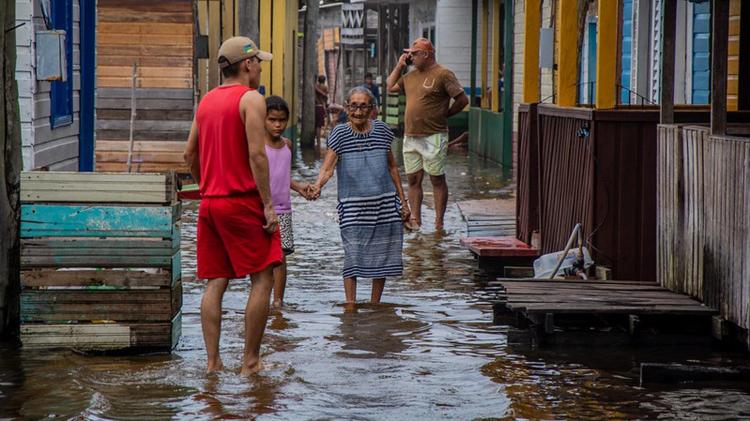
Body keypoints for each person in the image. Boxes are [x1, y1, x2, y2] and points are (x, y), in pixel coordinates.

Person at [183, 36, 279, 376]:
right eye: (259, 63)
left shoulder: (206, 101)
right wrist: (268, 205)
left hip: (210, 204)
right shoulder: (251, 99)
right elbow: (257, 154)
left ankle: (213, 364)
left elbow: (188, 155)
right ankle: (250, 362)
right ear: (247, 64)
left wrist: (207, 183)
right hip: (241, 202)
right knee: (264, 276)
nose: (260, 68)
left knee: (215, 282)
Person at [310, 87, 410, 306]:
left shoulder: (383, 131)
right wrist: (317, 186)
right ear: (347, 107)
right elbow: (328, 168)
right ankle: (351, 306)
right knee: (352, 255)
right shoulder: (339, 133)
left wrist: (403, 202)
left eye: (363, 106)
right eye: (353, 106)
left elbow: (393, 168)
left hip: (384, 204)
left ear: (372, 109)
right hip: (352, 207)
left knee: (383, 256)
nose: (358, 111)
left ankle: (375, 305)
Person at [386, 38, 469, 232]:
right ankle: (416, 219)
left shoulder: (443, 74)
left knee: (436, 178)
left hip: (434, 134)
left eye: (414, 54)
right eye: (410, 54)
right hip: (411, 135)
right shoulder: (410, 76)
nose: (410, 57)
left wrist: (446, 114)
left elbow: (462, 99)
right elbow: (390, 86)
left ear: (426, 54)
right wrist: (400, 65)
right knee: (413, 179)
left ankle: (439, 223)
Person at [264, 95, 313, 308]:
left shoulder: (288, 145)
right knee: (260, 260)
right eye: (272, 119)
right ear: (262, 120)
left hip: (283, 210)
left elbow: (282, 175)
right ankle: (261, 299)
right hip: (260, 209)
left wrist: (299, 187)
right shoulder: (256, 147)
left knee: (281, 257)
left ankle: (278, 301)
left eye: (282, 120)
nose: (277, 125)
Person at [315, 75, 329, 145]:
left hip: (315, 107)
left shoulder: (316, 86)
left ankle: (317, 141)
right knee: (318, 126)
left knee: (316, 125)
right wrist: (326, 111)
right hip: (321, 107)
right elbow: (325, 100)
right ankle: (318, 142)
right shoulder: (325, 88)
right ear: (325, 80)